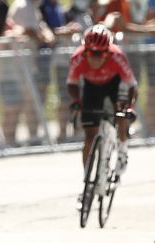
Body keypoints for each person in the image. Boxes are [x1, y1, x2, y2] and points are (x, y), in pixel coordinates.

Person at [67, 24, 137, 201]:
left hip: (115, 84)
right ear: (85, 50)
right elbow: (72, 84)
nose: (96, 58)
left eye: (102, 54)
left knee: (120, 112)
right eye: (91, 53)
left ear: (109, 51)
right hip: (92, 87)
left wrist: (130, 108)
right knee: (89, 137)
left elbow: (132, 85)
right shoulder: (78, 57)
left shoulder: (117, 56)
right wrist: (77, 102)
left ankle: (122, 150)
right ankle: (88, 182)